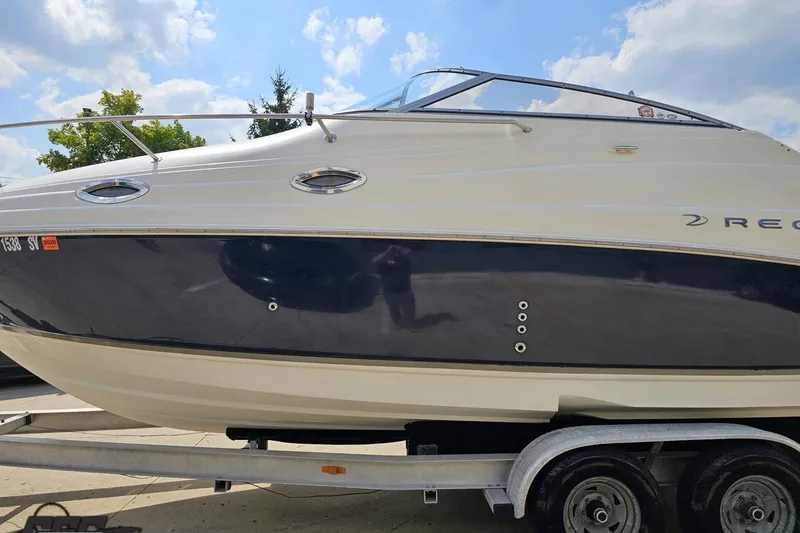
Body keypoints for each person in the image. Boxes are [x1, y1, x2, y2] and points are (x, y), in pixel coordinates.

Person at [371, 245, 416, 330]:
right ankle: (398, 323)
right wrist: (387, 252)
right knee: (393, 309)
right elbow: (373, 262)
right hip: (390, 290)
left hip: (405, 289)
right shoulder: (384, 262)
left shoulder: (404, 261)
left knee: (409, 308)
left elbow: (412, 255)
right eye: (393, 253)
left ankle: (410, 324)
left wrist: (400, 251)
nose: (395, 254)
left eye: (396, 253)